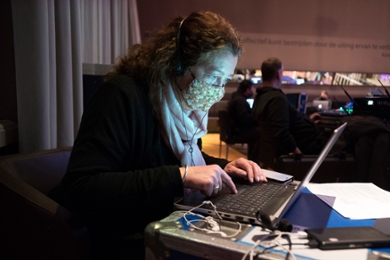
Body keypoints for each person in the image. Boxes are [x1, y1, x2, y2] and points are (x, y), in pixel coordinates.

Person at [48, 11, 266, 259]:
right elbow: (84, 188)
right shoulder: (121, 95)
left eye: (225, 80)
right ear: (178, 64)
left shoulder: (183, 108)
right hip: (122, 238)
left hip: (163, 227)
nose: (218, 91)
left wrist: (223, 167)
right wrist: (180, 176)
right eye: (214, 78)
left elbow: (175, 157)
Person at [252, 57, 326, 169]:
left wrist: (308, 120)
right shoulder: (276, 99)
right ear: (278, 74)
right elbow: (281, 133)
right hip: (305, 148)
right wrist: (297, 153)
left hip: (271, 152)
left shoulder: (261, 96)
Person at [228, 79, 261, 163]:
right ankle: (254, 161)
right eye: (252, 89)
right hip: (238, 133)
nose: (253, 91)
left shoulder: (236, 98)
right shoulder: (240, 101)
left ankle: (254, 160)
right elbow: (244, 119)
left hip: (234, 131)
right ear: (247, 89)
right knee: (262, 133)